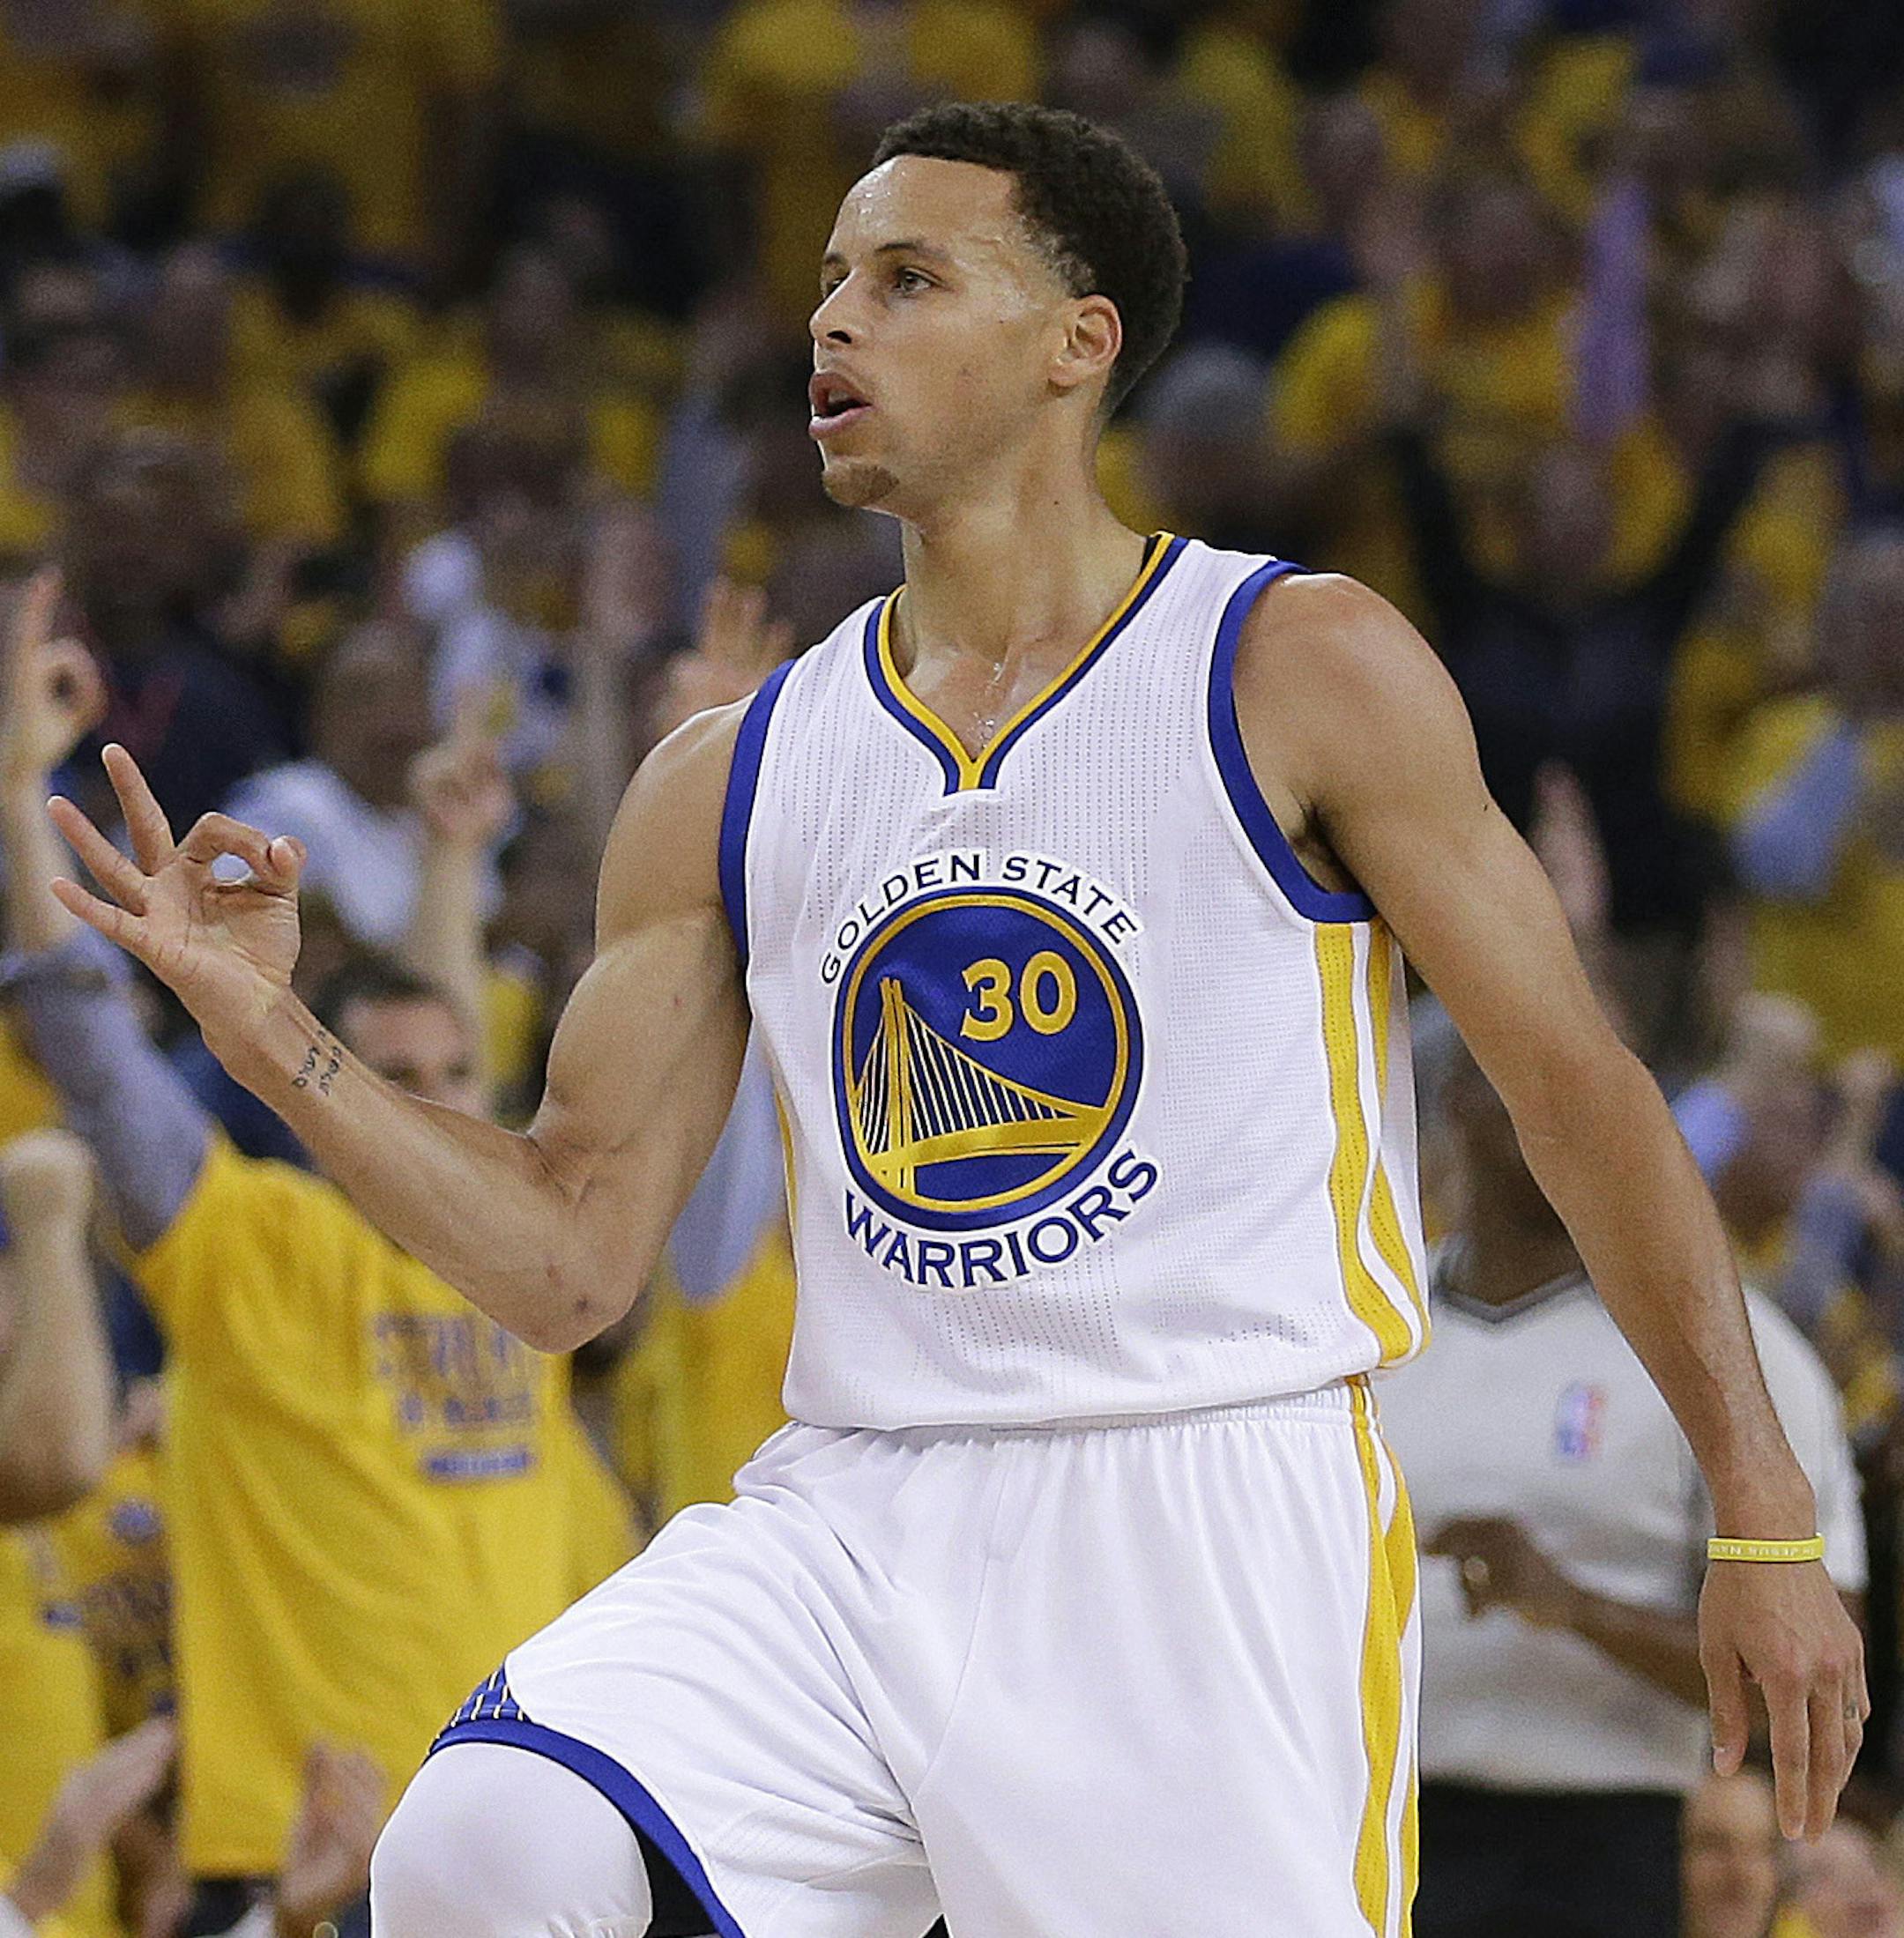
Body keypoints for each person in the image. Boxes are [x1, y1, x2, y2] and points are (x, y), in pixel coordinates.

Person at [48, 102, 1863, 1936]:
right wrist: (273, 1034)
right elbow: (565, 1264)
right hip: (855, 1499)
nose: (836, 320)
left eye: (909, 278)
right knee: (485, 1846)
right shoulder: (725, 773)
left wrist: (1764, 1506)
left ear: (1080, 345)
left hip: (1202, 1504)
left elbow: (1576, 1087)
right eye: (832, 280)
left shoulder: (1293, 664)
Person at [0, 572, 630, 1913]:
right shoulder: (254, 1244)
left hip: (510, 1845)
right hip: (299, 1857)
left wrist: (454, 852)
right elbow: (97, 1058)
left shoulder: (525, 1275)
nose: (444, 1098)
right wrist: (17, 800)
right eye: (397, 1075)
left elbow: (438, 1069)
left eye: (464, 1071)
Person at [1381, 1040, 1867, 1938]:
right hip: (1366, 1816)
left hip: (1610, 1840)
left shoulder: (1735, 1352)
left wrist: (1572, 1606)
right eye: (1530, 1068)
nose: (1572, 1104)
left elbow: (1813, 1677)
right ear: (1455, 1098)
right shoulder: (1366, 1318)